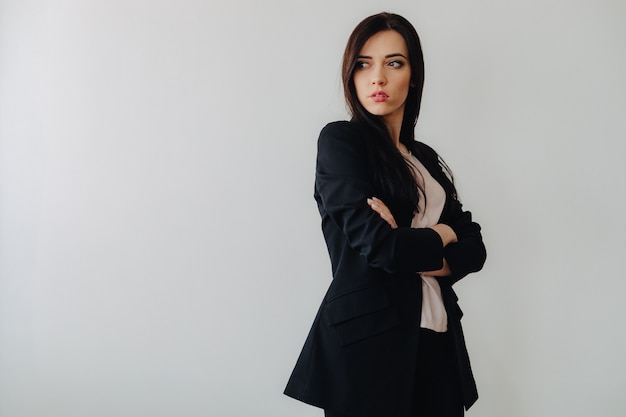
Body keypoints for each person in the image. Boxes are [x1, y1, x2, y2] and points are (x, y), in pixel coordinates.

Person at [284, 12, 487, 417]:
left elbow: (476, 248)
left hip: (438, 339)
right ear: (351, 74)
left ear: (413, 76)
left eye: (394, 63)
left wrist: (428, 239)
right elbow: (381, 248)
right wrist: (441, 235)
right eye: (364, 64)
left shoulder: (425, 160)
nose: (377, 77)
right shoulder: (342, 143)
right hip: (368, 345)